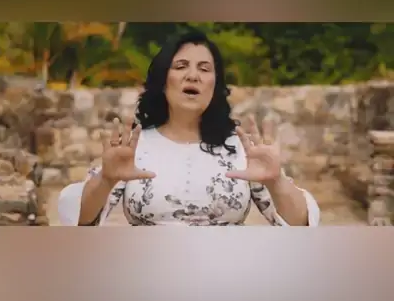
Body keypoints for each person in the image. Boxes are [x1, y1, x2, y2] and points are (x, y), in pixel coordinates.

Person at [58, 31, 320, 226]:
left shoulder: (242, 150)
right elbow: (78, 221)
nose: (193, 76)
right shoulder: (134, 148)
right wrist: (105, 180)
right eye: (181, 66)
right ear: (163, 80)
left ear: (215, 85)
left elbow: (302, 225)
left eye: (204, 69)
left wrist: (276, 182)